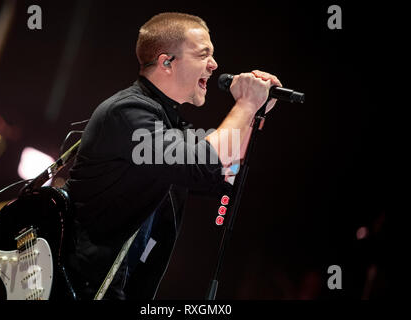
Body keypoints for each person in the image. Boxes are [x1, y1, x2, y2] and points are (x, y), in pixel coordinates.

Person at [63, 12, 282, 300]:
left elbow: (224, 170)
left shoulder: (168, 124)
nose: (214, 65)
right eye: (204, 54)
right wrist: (245, 104)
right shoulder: (127, 112)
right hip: (81, 290)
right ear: (167, 62)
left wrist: (252, 113)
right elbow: (201, 163)